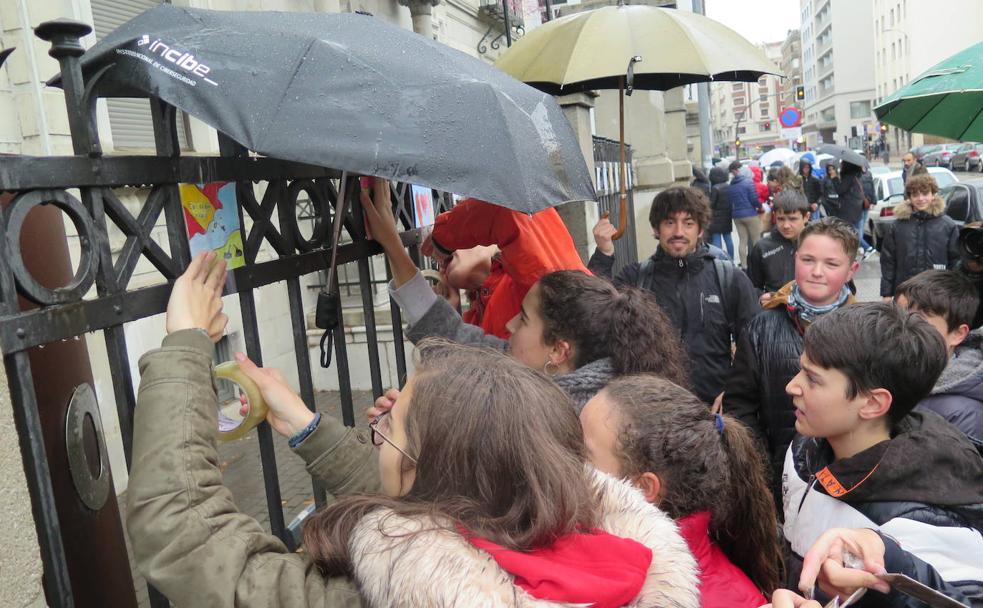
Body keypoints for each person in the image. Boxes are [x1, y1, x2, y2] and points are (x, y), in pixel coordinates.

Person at [128, 252, 702, 608]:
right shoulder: (595, 553)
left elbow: (183, 534)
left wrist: (183, 344)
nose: (381, 435)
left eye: (390, 429)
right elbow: (428, 497)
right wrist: (304, 425)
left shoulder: (394, 592)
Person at [361, 178, 689, 410]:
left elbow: (510, 208)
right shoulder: (541, 367)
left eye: (524, 318)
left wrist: (444, 236)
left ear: (560, 350)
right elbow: (453, 338)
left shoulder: (577, 425)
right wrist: (393, 244)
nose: (511, 325)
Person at [782, 303, 983, 606]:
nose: (791, 386)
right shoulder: (805, 449)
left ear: (873, 404)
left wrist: (896, 567)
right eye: (801, 369)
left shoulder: (922, 521)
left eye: (812, 379)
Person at [579, 375, 780, 608]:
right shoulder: (593, 543)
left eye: (584, 454)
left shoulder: (729, 601)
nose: (568, 461)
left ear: (643, 488)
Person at [724, 218, 858, 499]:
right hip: (778, 477)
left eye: (831, 264)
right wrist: (763, 468)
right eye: (808, 260)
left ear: (851, 271)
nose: (817, 272)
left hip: (849, 480)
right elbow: (740, 405)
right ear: (795, 259)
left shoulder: (867, 330)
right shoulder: (760, 328)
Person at [589, 186, 759, 405]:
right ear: (656, 228)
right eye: (670, 222)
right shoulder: (636, 278)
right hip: (653, 410)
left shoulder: (729, 278)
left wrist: (734, 391)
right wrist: (603, 253)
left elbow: (754, 344)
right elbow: (593, 316)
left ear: (699, 230)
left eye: (688, 223)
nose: (679, 232)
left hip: (714, 412)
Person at [422, 197, 587, 339]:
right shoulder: (477, 312)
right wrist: (448, 318)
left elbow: (509, 204)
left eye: (471, 233)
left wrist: (444, 236)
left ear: (495, 239)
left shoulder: (533, 278)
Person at [895, 270, 983, 451]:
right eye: (897, 315)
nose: (901, 328)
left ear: (958, 334)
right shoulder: (890, 366)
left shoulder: (965, 415)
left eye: (919, 321)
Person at [879, 174, 960, 299]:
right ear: (909, 197)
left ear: (933, 195)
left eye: (925, 193)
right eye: (915, 194)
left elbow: (955, 261)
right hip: (905, 292)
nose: (920, 198)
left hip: (938, 293)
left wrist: (954, 291)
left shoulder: (947, 225)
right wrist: (887, 293)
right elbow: (888, 261)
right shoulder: (897, 226)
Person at [746, 190, 811, 294]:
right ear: (774, 216)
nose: (786, 225)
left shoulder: (819, 244)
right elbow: (752, 286)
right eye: (780, 219)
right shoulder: (762, 247)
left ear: (806, 217)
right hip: (775, 307)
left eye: (792, 219)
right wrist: (761, 298)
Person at [727, 161, 763, 267]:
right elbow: (754, 199)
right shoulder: (748, 182)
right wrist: (760, 206)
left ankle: (744, 266)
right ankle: (758, 265)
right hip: (750, 214)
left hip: (737, 216)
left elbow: (730, 202)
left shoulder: (731, 186)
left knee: (742, 240)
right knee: (756, 240)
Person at [822, 161, 865, 239]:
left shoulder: (849, 177)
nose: (840, 166)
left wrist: (834, 178)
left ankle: (868, 248)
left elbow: (840, 190)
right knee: (854, 233)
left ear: (846, 166)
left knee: (850, 233)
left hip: (849, 210)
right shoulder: (854, 176)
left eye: (842, 164)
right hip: (855, 209)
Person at [707, 166, 735, 260]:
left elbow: (711, 204)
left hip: (715, 218)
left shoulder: (715, 188)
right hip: (727, 216)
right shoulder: (728, 186)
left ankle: (719, 260)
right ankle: (731, 258)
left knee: (716, 239)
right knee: (728, 239)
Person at [858, 166, 876, 259]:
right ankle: (867, 248)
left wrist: (873, 201)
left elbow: (872, 188)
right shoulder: (856, 174)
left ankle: (865, 248)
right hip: (858, 205)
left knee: (860, 229)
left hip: (866, 204)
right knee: (858, 231)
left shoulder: (868, 173)